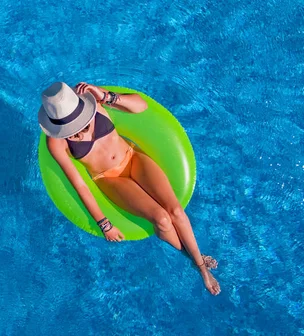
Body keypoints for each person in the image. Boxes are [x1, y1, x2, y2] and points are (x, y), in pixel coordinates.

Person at [38, 81, 221, 295]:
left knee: (176, 211)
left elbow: (141, 106)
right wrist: (104, 224)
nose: (74, 132)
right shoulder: (57, 144)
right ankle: (198, 263)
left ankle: (199, 264)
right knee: (161, 219)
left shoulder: (94, 103)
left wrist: (106, 96)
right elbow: (79, 184)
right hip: (109, 178)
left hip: (133, 159)